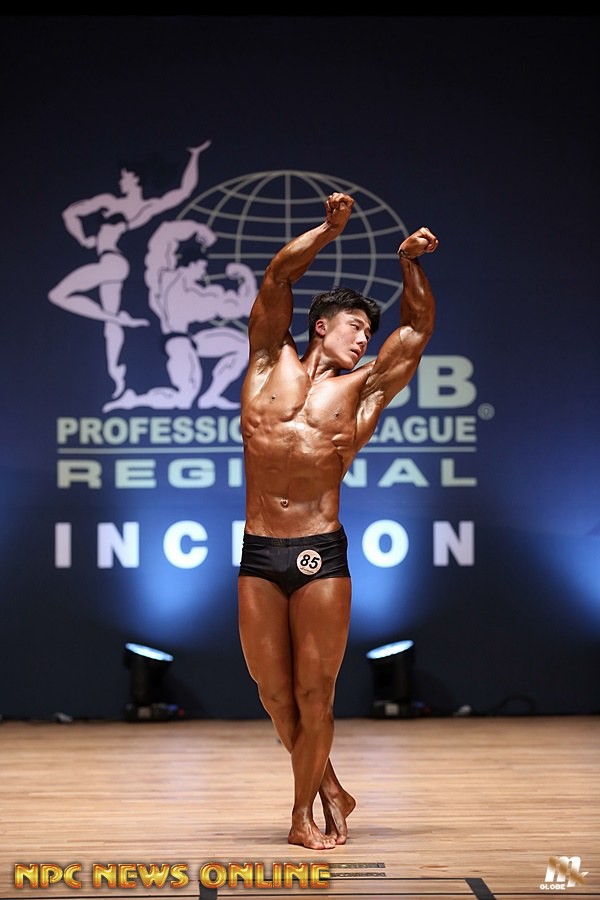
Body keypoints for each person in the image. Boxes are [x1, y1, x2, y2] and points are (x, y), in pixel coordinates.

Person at [237, 191, 439, 851]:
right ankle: (329, 785)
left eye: (367, 333)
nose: (363, 339)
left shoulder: (364, 390)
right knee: (273, 694)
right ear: (321, 325)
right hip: (260, 552)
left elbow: (415, 332)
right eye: (355, 327)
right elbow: (277, 278)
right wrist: (329, 229)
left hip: (319, 553)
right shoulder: (266, 360)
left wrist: (410, 265)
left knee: (314, 693)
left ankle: (301, 815)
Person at [48, 141, 211, 399]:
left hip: (112, 262)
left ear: (135, 179)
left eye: (124, 177)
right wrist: (82, 238)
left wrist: (195, 156)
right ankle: (117, 378)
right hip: (113, 264)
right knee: (110, 326)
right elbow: (71, 213)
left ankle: (118, 322)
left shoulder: (129, 206)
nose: (120, 182)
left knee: (59, 294)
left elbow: (183, 192)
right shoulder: (124, 205)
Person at [102, 219, 256, 413]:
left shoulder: (199, 294)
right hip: (177, 342)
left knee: (242, 346)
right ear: (192, 264)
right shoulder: (165, 279)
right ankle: (132, 400)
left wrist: (246, 278)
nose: (202, 272)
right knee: (184, 397)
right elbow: (163, 240)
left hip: (193, 340)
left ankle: (212, 395)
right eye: (201, 267)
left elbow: (241, 306)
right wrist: (197, 229)